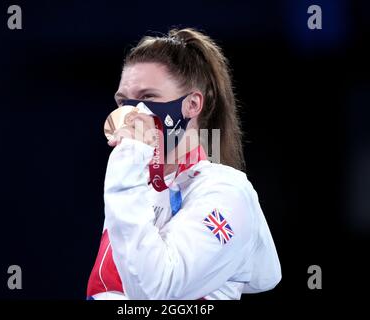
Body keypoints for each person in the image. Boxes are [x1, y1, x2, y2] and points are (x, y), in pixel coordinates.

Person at [86, 28, 281, 300]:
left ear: (191, 105)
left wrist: (128, 161)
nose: (130, 113)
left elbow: (153, 293)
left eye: (148, 97)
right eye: (122, 101)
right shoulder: (139, 186)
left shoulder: (226, 191)